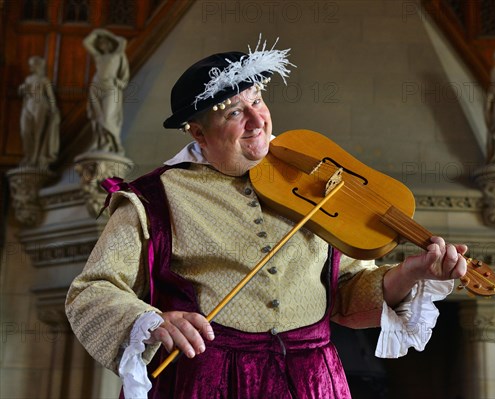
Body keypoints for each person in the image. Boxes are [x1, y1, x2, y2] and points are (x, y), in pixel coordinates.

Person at [66, 39, 468, 399]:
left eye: (256, 100)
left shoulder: (313, 180)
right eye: (233, 112)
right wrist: (150, 321)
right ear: (198, 134)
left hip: (313, 381)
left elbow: (346, 295)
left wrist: (412, 273)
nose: (258, 121)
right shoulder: (152, 199)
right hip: (206, 382)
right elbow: (91, 291)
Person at [83, 28, 129, 154]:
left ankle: (113, 143)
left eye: (104, 42)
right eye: (100, 43)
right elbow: (87, 42)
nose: (102, 45)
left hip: (111, 88)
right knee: (98, 118)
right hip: (96, 88)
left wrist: (105, 34)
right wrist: (96, 32)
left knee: (108, 118)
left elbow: (122, 41)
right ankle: (102, 143)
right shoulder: (99, 56)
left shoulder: (117, 54)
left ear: (110, 43)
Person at [18, 55, 60, 168]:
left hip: (40, 104)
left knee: (38, 133)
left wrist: (53, 109)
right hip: (28, 106)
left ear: (38, 66)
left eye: (33, 65)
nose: (31, 67)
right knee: (25, 131)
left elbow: (51, 96)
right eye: (30, 65)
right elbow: (24, 93)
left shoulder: (44, 80)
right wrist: (23, 90)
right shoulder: (28, 79)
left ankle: (35, 158)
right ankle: (28, 155)